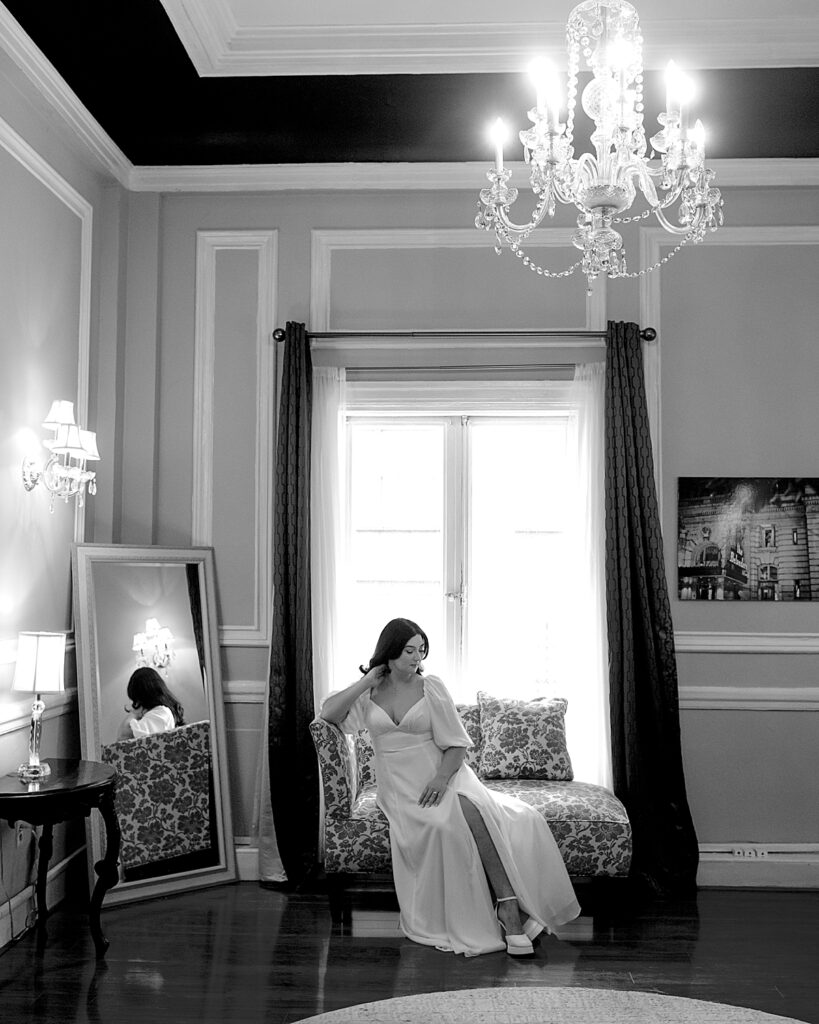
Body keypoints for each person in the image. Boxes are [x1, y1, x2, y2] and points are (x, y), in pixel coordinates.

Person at [321, 617, 580, 957]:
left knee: (474, 808)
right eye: (408, 650)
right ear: (390, 651)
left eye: (420, 650)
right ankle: (499, 911)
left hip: (442, 772)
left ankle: (509, 908)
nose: (416, 657)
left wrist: (441, 779)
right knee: (443, 824)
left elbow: (457, 745)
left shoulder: (431, 687)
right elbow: (328, 714)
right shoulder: (368, 693)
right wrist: (366, 680)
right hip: (398, 787)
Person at [116, 666, 185, 741]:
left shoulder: (161, 712)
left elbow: (123, 737)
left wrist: (134, 714)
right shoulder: (159, 713)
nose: (136, 704)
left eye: (136, 699)